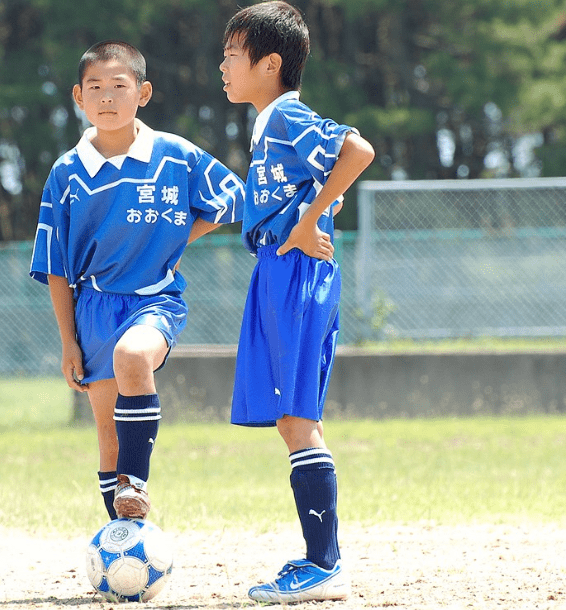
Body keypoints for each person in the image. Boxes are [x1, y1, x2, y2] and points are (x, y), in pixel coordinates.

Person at [30, 40, 244, 522]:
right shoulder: (66, 173)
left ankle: (135, 483)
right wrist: (68, 342)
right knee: (108, 437)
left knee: (132, 356)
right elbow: (57, 267)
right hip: (94, 308)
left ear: (143, 93)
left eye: (119, 86)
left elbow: (234, 198)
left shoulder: (173, 156)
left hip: (155, 299)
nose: (107, 98)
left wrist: (176, 238)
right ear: (78, 98)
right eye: (95, 88)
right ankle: (127, 541)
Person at [220, 1, 375, 604]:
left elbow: (356, 150)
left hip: (297, 272)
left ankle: (323, 562)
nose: (223, 67)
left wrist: (311, 220)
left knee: (298, 419)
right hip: (276, 270)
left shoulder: (286, 115)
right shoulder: (266, 125)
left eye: (233, 55)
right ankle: (318, 558)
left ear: (270, 63)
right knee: (289, 419)